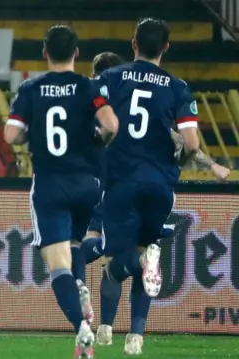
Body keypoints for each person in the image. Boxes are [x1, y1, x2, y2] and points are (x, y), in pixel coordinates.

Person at [84, 52, 231, 351]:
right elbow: (181, 139)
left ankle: (104, 325)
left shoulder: (102, 105)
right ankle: (134, 336)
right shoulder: (153, 101)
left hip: (111, 187)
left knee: (106, 257)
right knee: (141, 257)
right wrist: (212, 164)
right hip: (152, 185)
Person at [4, 25, 119, 359]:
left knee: (57, 266)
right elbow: (111, 125)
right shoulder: (89, 87)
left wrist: (31, 134)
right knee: (75, 245)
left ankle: (81, 328)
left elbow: (12, 135)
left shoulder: (31, 88)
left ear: (44, 53)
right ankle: (80, 285)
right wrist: (97, 139)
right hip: (87, 184)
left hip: (51, 184)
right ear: (76, 53)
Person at [95, 18, 201, 355]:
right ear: (166, 47)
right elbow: (193, 144)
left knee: (116, 261)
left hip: (121, 180)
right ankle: (136, 336)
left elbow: (94, 123)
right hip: (159, 184)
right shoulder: (178, 87)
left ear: (133, 43)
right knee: (145, 252)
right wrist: (177, 166)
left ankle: (106, 327)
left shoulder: (110, 78)